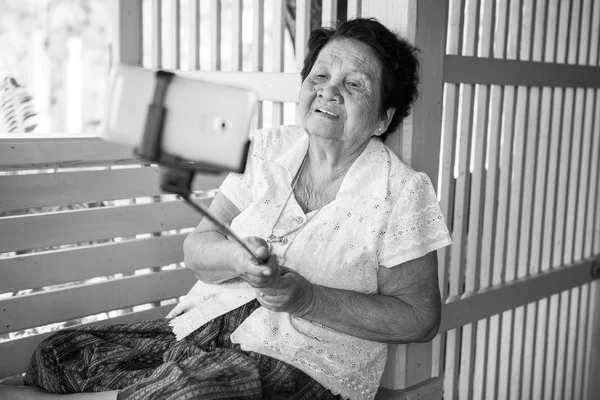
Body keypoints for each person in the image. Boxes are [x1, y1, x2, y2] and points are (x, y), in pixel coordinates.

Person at [1, 17, 451, 400]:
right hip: (204, 330)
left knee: (186, 393)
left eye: (354, 84)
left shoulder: (402, 191)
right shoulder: (268, 150)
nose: (329, 92)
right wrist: (237, 258)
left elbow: (418, 317)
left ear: (384, 119)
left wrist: (307, 298)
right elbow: (198, 248)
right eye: (319, 77)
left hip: (302, 363)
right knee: (58, 356)